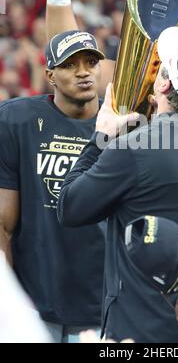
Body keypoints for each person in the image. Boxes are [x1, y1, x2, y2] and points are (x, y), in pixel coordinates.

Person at [57, 26, 178, 343]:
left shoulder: (133, 149)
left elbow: (70, 208)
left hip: (140, 329)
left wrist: (101, 136)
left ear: (162, 85)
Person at [0, 30, 107, 343]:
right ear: (50, 75)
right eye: (70, 65)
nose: (83, 72)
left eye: (90, 62)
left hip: (100, 303)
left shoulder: (125, 129)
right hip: (33, 301)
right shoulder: (16, 121)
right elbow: (3, 225)